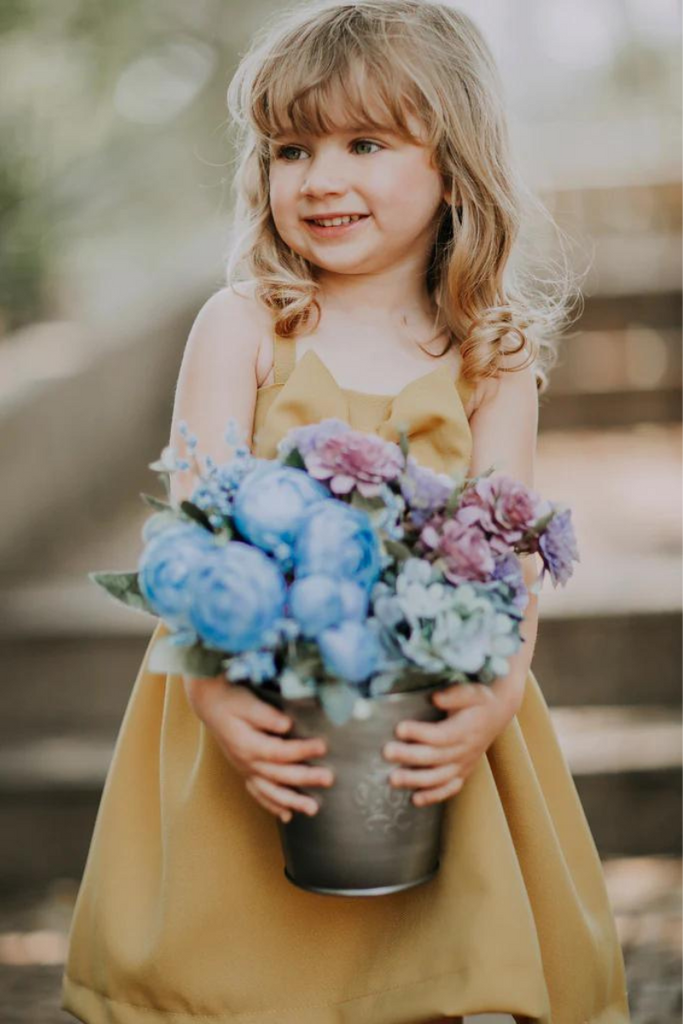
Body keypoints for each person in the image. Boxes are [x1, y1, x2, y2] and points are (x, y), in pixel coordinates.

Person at [61, 2, 631, 1022]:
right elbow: (193, 534)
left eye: (364, 142)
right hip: (253, 705)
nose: (319, 177)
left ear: (450, 164)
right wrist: (214, 701)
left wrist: (492, 704)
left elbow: (510, 561)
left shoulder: (486, 356)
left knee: (426, 971)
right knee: (232, 977)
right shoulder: (244, 326)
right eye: (291, 148)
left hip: (424, 718)